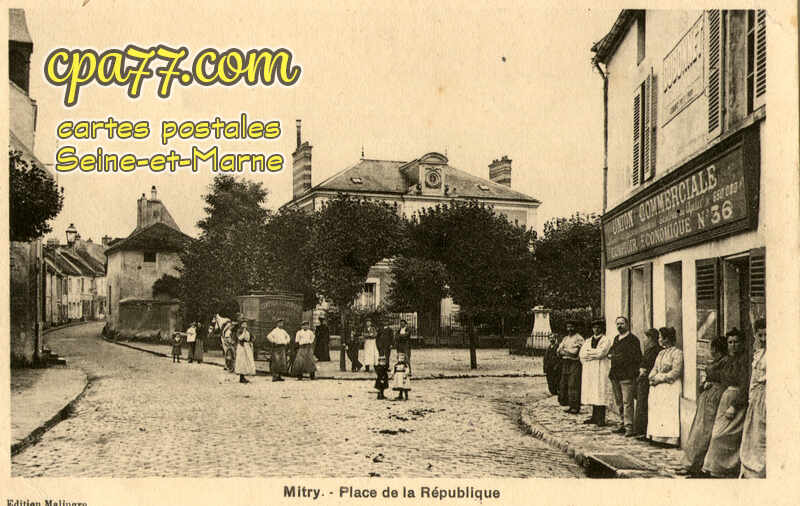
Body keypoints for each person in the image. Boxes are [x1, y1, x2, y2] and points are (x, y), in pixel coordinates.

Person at [702, 328, 750, 477]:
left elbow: (745, 386)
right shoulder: (729, 360)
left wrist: (734, 406)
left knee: (721, 435)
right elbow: (721, 376)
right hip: (725, 398)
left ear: (742, 344)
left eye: (736, 342)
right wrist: (710, 381)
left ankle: (724, 468)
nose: (733, 345)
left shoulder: (744, 361)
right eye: (730, 342)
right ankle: (713, 469)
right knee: (716, 433)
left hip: (736, 401)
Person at [678, 335, 729, 475]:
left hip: (715, 396)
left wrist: (710, 382)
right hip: (707, 397)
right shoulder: (718, 360)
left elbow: (724, 379)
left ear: (716, 349)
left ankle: (695, 464)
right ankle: (691, 462)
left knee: (705, 431)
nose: (710, 350)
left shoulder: (725, 361)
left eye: (712, 347)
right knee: (699, 429)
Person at [646, 327, 683, 446]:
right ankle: (657, 437)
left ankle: (669, 439)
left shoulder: (677, 353)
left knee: (667, 412)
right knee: (658, 412)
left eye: (661, 337)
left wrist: (659, 378)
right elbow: (655, 368)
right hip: (658, 387)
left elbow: (676, 372)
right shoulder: (661, 353)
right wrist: (651, 377)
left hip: (669, 387)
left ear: (667, 339)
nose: (659, 339)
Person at [740, 318, 766, 478]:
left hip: (767, 397)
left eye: (766, 335)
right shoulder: (759, 353)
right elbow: (754, 378)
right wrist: (751, 397)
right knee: (753, 435)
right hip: (757, 398)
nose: (764, 339)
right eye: (760, 335)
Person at [608, 316, 642, 436]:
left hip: (627, 375)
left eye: (622, 323)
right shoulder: (616, 338)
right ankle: (622, 422)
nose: (619, 326)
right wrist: (614, 355)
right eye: (617, 324)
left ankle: (629, 427)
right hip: (615, 375)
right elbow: (610, 352)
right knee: (619, 401)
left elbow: (636, 357)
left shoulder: (633, 340)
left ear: (627, 324)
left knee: (628, 402)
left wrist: (619, 357)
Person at [579, 319, 612, 426]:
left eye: (598, 327)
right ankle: (594, 417)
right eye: (594, 327)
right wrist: (593, 354)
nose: (596, 329)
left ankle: (601, 418)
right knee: (592, 392)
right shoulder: (588, 341)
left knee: (600, 392)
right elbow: (582, 354)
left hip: (601, 369)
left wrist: (590, 353)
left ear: (602, 328)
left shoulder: (606, 340)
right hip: (590, 370)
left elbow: (602, 353)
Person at [632, 328, 661, 438]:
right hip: (643, 379)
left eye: (647, 337)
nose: (646, 340)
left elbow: (652, 365)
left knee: (643, 405)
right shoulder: (649, 349)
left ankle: (642, 430)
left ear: (652, 338)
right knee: (640, 404)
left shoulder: (656, 350)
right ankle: (639, 429)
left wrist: (644, 372)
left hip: (647, 379)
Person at [557, 320, 584, 414]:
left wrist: (564, 351)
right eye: (568, 327)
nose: (569, 329)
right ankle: (570, 404)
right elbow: (558, 351)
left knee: (574, 384)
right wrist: (565, 351)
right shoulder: (565, 338)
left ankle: (575, 406)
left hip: (574, 363)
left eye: (571, 327)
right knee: (565, 383)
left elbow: (574, 353)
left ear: (575, 327)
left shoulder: (579, 338)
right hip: (565, 362)